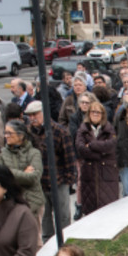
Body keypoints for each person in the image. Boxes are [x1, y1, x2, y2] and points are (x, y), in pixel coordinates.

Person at [23, 101, 78, 243]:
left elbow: (69, 158)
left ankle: (66, 242)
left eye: (35, 114)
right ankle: (48, 243)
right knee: (45, 218)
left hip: (59, 182)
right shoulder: (28, 132)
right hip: (39, 183)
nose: (32, 118)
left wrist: (69, 179)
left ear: (44, 113)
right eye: (30, 115)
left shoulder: (59, 131)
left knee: (63, 216)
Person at [0, 119, 44, 229]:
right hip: (11, 202)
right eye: (5, 133)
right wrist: (22, 173)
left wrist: (9, 172)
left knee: (35, 240)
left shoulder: (34, 153)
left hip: (33, 202)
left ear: (21, 136)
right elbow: (0, 176)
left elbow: (33, 178)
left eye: (9, 133)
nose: (6, 136)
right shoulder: (2, 153)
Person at [75, 100, 119, 215]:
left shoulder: (109, 129)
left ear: (103, 115)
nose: (95, 114)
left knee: (107, 210)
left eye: (98, 112)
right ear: (89, 113)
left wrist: (92, 145)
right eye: (93, 112)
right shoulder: (83, 129)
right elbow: (81, 148)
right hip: (89, 175)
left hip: (107, 174)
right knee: (91, 211)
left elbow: (110, 146)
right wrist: (99, 154)